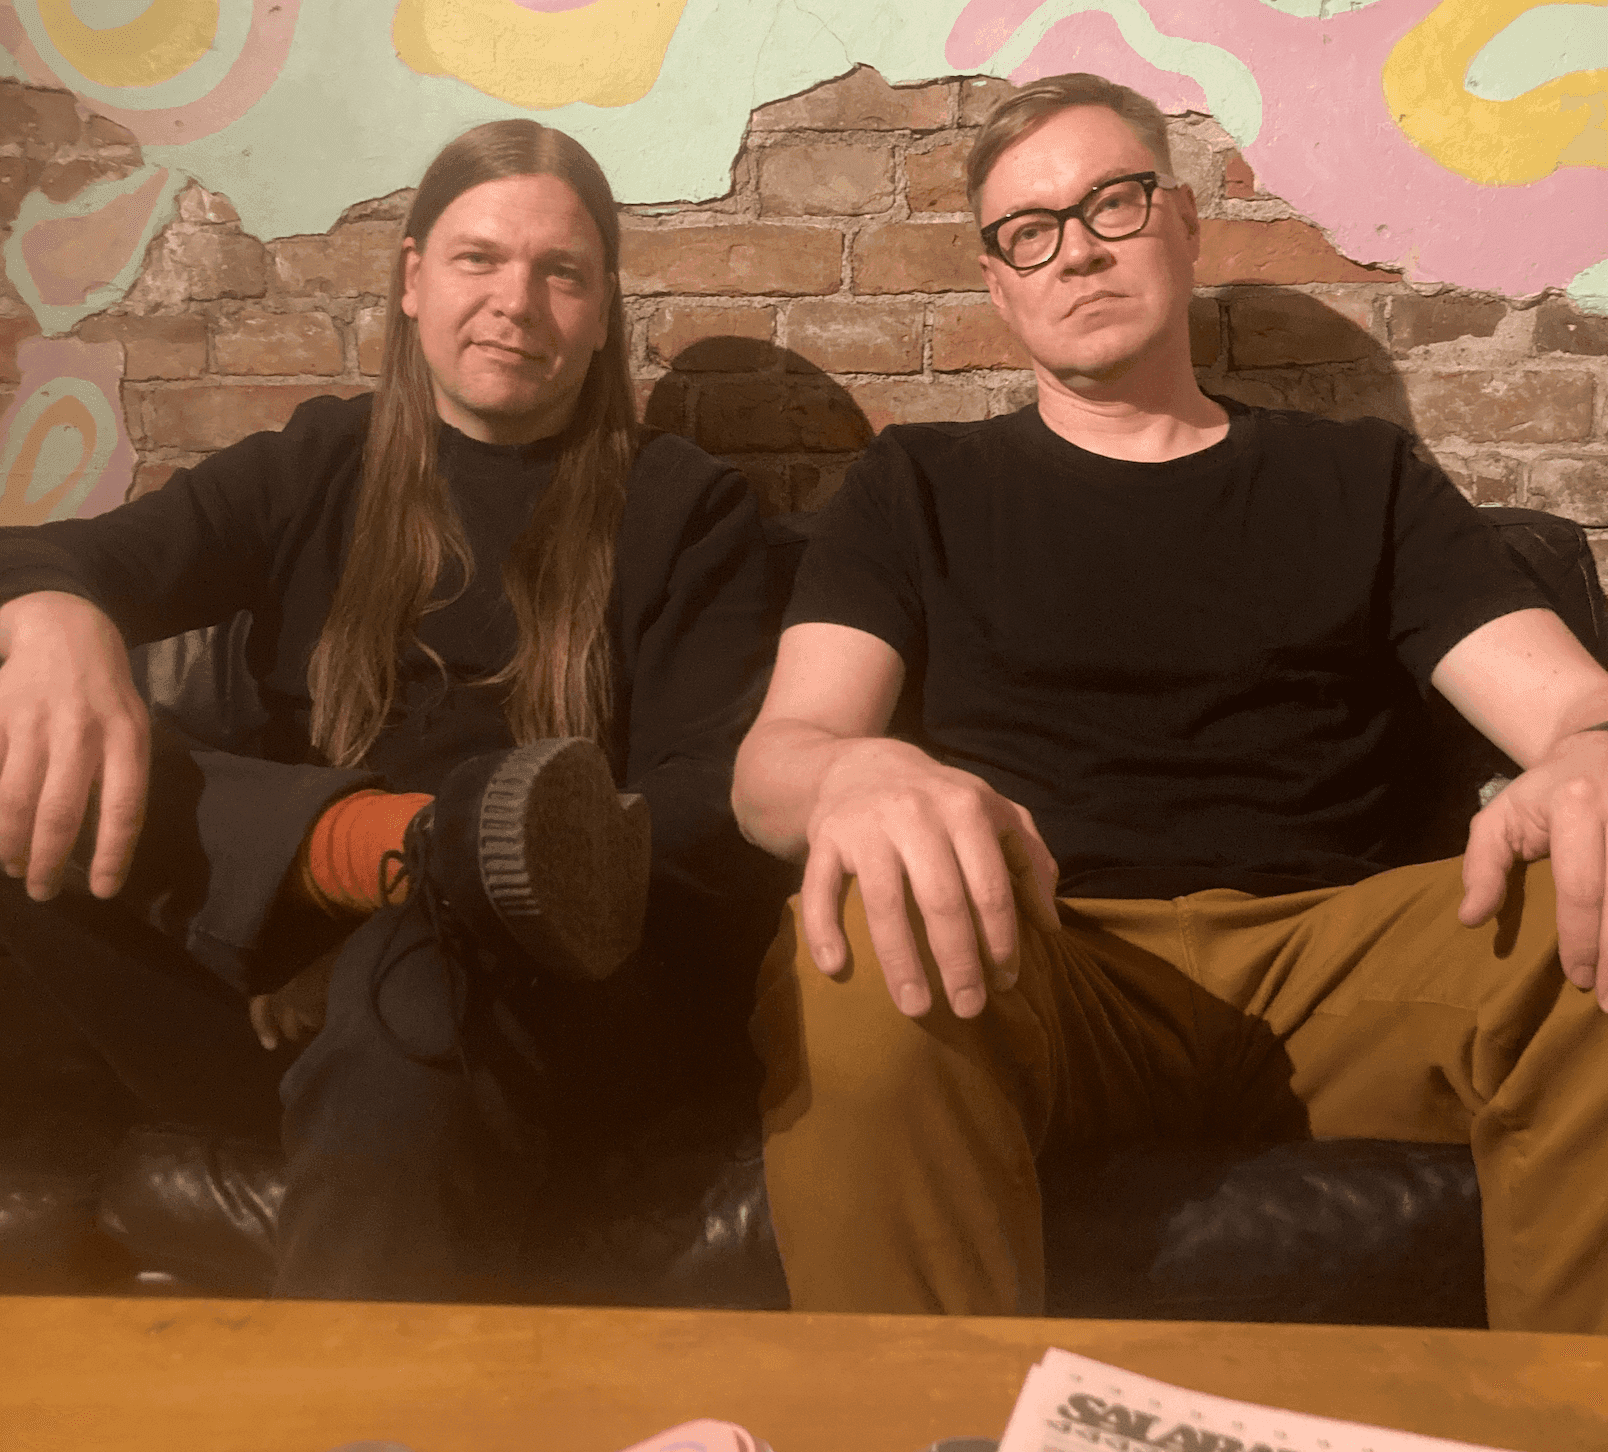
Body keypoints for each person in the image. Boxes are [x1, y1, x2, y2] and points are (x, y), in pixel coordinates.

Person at [731, 72, 1608, 1332]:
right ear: (997, 284)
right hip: (1049, 958)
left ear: (1185, 223)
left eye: (1114, 203)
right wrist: (851, 773)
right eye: (1030, 231)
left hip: (1343, 960)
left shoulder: (1359, 476)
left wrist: (1589, 756)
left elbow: (1574, 710)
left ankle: (1567, 1418)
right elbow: (778, 762)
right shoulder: (917, 484)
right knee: (861, 939)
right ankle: (931, 1420)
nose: (1077, 249)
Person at [0, 119, 786, 1300]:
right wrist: (57, 613)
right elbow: (66, 554)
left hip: (523, 1005)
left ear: (602, 310)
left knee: (414, 971)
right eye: (479, 259)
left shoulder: (683, 509)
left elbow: (705, 815)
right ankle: (380, 848)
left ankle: (417, 873)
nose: (515, 301)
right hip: (262, 986)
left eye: (562, 273)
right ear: (414, 278)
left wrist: (428, 916)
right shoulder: (319, 462)